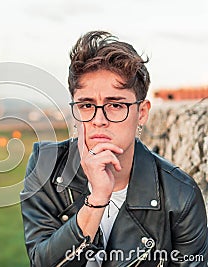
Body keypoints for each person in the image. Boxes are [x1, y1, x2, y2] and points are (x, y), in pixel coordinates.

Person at [20, 31, 208, 266]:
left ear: (142, 113)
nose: (99, 119)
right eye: (87, 105)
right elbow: (42, 261)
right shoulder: (45, 165)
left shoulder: (180, 195)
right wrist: (97, 200)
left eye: (116, 105)